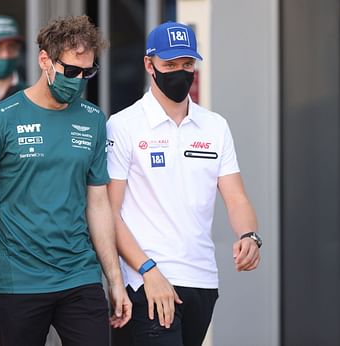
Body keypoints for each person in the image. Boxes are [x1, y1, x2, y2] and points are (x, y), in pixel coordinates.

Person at [0, 15, 132, 346]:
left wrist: (115, 280)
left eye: (88, 72)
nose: (79, 80)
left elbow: (98, 204)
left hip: (80, 275)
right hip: (17, 282)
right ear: (45, 61)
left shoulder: (93, 120)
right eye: (71, 70)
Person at [107, 21, 262, 346]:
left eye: (187, 64)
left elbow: (237, 199)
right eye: (170, 65)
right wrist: (147, 270)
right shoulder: (123, 126)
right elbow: (110, 212)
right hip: (147, 281)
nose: (180, 72)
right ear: (149, 65)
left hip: (202, 279)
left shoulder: (215, 126)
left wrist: (249, 236)